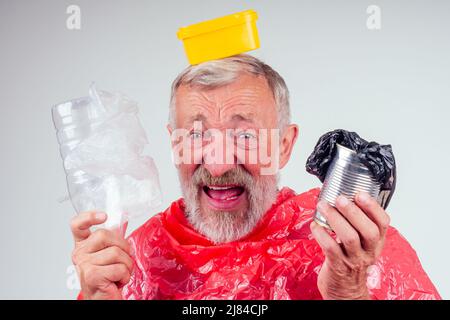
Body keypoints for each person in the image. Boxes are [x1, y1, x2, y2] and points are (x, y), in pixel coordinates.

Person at [70, 54, 441, 300]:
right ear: (173, 144)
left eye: (245, 137)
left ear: (283, 145)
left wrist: (350, 292)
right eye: (196, 136)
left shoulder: (347, 246)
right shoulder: (136, 257)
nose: (216, 166)